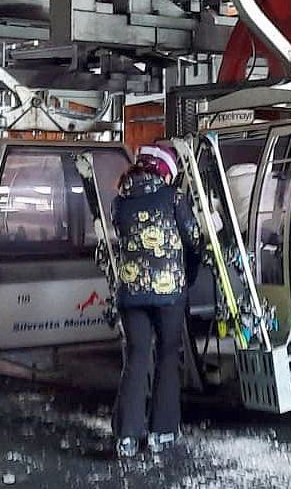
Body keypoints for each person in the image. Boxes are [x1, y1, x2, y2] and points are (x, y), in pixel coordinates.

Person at [110, 141, 201, 459]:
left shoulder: (118, 203)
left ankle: (127, 437)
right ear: (165, 170)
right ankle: (162, 430)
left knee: (135, 359)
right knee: (166, 356)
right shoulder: (173, 197)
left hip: (130, 293)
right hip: (168, 292)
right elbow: (194, 240)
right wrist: (188, 276)